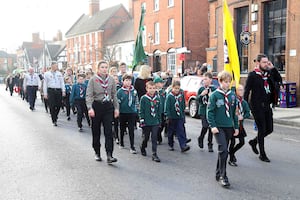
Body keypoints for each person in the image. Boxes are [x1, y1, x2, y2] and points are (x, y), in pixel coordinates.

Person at [207, 70, 239, 188]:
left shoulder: (232, 95)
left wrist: (236, 126)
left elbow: (234, 112)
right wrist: (213, 126)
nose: (227, 84)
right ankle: (223, 176)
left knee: (223, 151)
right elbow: (210, 112)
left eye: (229, 82)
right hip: (218, 127)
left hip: (228, 127)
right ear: (220, 82)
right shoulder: (215, 95)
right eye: (225, 82)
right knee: (224, 149)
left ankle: (217, 172)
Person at [244, 54, 277, 163]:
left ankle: (254, 142)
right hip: (257, 106)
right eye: (264, 62)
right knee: (262, 129)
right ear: (258, 63)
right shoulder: (253, 75)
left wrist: (273, 68)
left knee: (269, 129)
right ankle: (262, 154)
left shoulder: (268, 74)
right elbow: (247, 91)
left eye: (267, 62)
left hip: (267, 105)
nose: (266, 64)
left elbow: (278, 79)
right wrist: (244, 106)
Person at [86, 60, 119, 164]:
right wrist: (90, 108)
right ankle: (97, 152)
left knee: (109, 131)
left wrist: (116, 108)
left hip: (108, 106)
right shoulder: (93, 80)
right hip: (97, 106)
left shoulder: (111, 80)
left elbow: (114, 94)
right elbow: (89, 95)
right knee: (96, 131)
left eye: (106, 67)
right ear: (98, 69)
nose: (104, 69)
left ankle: (109, 154)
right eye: (102, 67)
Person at [228, 84, 250, 167]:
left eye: (242, 90)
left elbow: (248, 112)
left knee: (242, 142)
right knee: (232, 142)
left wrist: (243, 116)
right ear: (236, 91)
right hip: (232, 124)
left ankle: (231, 152)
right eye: (239, 90)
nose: (242, 91)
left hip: (240, 125)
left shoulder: (243, 102)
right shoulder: (233, 101)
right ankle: (231, 158)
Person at [165, 80, 190, 153]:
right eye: (175, 88)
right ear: (172, 88)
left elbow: (182, 105)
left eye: (178, 88)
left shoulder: (181, 95)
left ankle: (183, 146)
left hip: (179, 116)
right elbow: (167, 107)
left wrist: (183, 113)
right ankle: (170, 144)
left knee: (180, 131)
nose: (177, 90)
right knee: (171, 131)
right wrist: (168, 115)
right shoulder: (169, 96)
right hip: (172, 117)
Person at [139, 81, 161, 162]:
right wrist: (142, 119)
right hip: (146, 121)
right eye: (150, 88)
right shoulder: (144, 98)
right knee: (146, 137)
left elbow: (159, 110)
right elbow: (141, 110)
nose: (152, 90)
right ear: (146, 89)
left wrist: (159, 121)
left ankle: (154, 154)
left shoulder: (157, 98)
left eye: (153, 88)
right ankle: (143, 147)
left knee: (154, 137)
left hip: (155, 121)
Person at [117, 74, 139, 154]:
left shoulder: (134, 91)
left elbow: (136, 101)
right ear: (123, 81)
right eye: (126, 80)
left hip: (131, 112)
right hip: (123, 112)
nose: (128, 82)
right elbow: (117, 102)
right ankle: (121, 142)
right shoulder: (120, 91)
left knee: (131, 129)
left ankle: (132, 146)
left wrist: (137, 110)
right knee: (122, 128)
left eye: (129, 80)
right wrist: (117, 111)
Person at [196, 72, 216, 152]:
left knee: (211, 127)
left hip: (211, 111)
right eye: (203, 79)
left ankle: (210, 144)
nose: (204, 81)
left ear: (210, 80)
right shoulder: (201, 89)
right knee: (205, 126)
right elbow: (198, 100)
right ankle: (201, 137)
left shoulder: (214, 89)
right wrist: (201, 95)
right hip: (203, 110)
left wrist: (211, 96)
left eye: (206, 79)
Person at [43, 61, 66, 126]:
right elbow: (45, 84)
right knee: (52, 105)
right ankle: (54, 119)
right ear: (52, 66)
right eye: (56, 66)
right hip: (51, 90)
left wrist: (63, 91)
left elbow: (62, 82)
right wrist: (45, 93)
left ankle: (55, 115)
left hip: (58, 90)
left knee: (59, 105)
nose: (57, 67)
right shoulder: (47, 74)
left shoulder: (59, 74)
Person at [154, 76, 167, 144]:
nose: (162, 84)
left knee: (162, 124)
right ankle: (157, 137)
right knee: (157, 124)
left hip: (162, 111)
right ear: (156, 84)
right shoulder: (153, 92)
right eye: (160, 83)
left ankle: (158, 135)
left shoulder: (163, 92)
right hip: (156, 111)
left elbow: (165, 101)